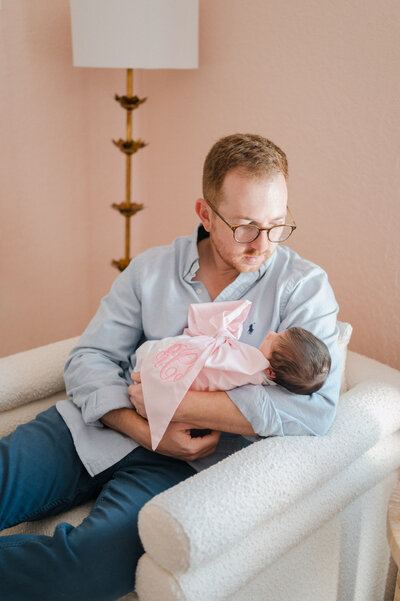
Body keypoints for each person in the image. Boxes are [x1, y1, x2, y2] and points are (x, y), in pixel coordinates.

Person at [0, 133, 341, 601]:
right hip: (92, 426)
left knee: (81, 574)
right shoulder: (151, 270)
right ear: (204, 214)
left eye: (277, 225)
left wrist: (183, 409)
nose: (263, 244)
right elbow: (90, 358)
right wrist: (139, 425)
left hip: (184, 467)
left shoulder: (303, 289)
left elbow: (314, 410)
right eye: (244, 226)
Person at [131, 299, 332, 450]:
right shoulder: (264, 376)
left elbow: (217, 361)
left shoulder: (252, 365)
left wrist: (222, 334)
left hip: (170, 378)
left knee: (152, 352)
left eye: (274, 340)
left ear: (270, 370)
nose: (270, 334)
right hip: (164, 392)